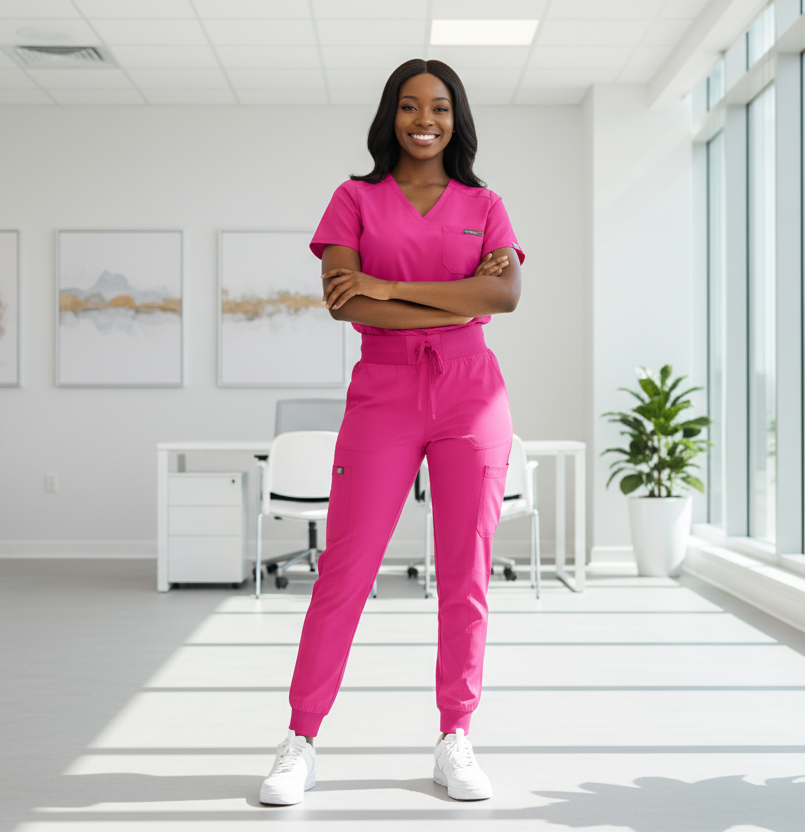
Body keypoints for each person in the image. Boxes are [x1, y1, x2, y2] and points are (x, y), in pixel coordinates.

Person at [259, 58, 523, 806]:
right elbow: (348, 305)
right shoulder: (353, 199)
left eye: (438, 107)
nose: (424, 120)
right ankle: (300, 739)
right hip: (383, 391)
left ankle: (455, 736)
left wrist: (393, 285)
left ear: (456, 117)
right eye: (409, 107)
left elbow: (503, 296)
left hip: (472, 395)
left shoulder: (485, 202)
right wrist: (454, 301)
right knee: (345, 570)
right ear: (391, 116)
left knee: (465, 574)